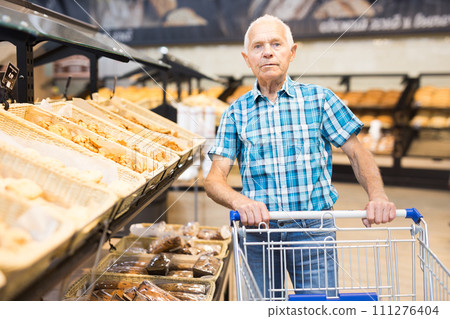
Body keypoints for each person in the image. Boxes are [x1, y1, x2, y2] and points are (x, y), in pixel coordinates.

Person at [204, 14, 396, 299]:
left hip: (313, 232)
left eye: (276, 44)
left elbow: (357, 154)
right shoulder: (235, 112)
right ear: (247, 59)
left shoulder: (320, 100)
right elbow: (214, 179)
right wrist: (239, 200)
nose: (267, 52)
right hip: (257, 235)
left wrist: (377, 195)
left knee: (316, 309)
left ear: (291, 53)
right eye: (258, 46)